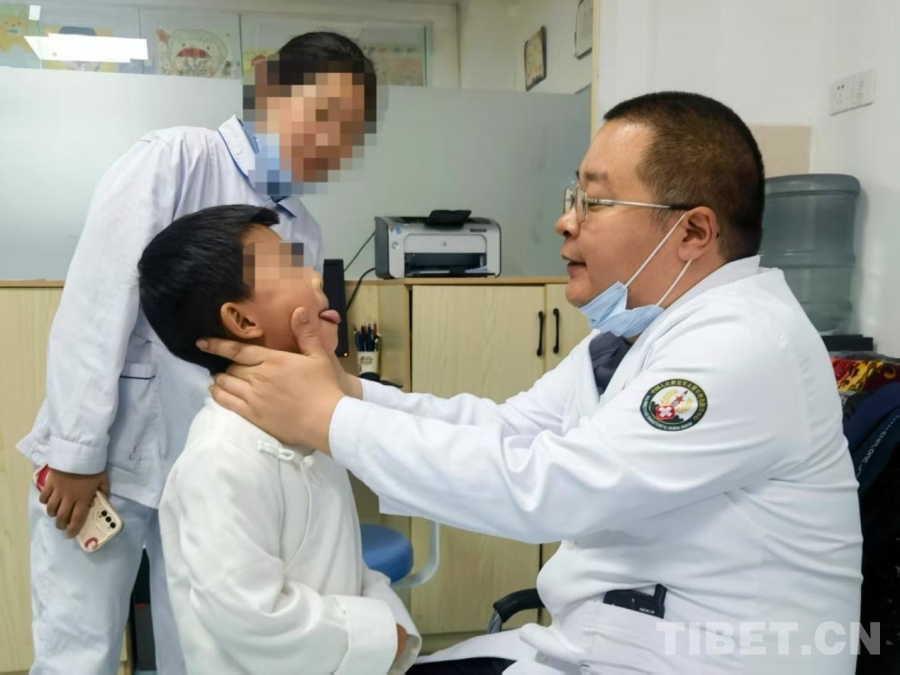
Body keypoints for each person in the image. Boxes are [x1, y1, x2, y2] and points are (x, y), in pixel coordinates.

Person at [198, 92, 864, 674]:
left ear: (693, 230)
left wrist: (330, 419)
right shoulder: (632, 335)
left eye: (595, 201)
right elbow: (509, 427)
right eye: (574, 197)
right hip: (612, 638)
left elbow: (551, 486)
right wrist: (351, 394)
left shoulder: (744, 343)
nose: (565, 221)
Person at [17, 32, 376, 675]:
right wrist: (75, 452)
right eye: (321, 114)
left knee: (202, 648)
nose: (330, 143)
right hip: (114, 461)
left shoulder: (299, 227)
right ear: (270, 88)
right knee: (78, 652)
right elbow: (97, 306)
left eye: (348, 132)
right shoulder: (177, 159)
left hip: (217, 471)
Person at [137, 204, 420, 674]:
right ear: (242, 321)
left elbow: (347, 567)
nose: (315, 278)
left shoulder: (304, 433)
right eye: (290, 268)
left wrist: (390, 632)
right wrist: (381, 636)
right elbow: (251, 618)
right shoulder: (220, 458)